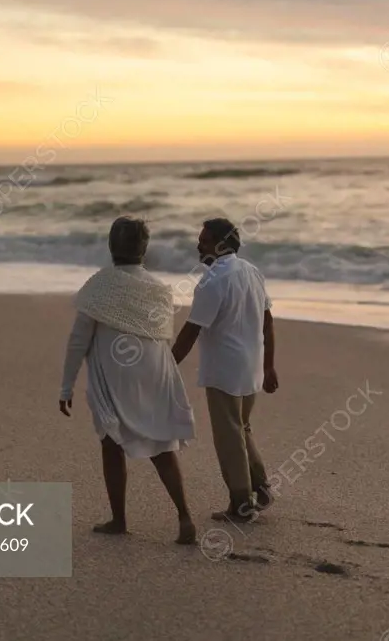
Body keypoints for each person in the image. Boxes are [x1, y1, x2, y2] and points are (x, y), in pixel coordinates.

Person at [59, 216, 197, 545]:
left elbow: (78, 340)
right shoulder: (159, 290)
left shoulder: (100, 285)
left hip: (116, 376)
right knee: (163, 447)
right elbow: (162, 336)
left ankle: (119, 519)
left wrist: (66, 386)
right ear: (145, 249)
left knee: (111, 442)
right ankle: (184, 516)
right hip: (156, 372)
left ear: (110, 247)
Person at [172, 217, 278, 524]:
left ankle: (241, 504)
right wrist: (269, 365)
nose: (198, 245)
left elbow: (191, 331)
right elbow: (268, 321)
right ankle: (262, 488)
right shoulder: (251, 271)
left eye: (204, 241)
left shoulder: (213, 280)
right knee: (242, 427)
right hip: (252, 366)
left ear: (220, 245)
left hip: (225, 371)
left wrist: (166, 365)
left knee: (229, 434)